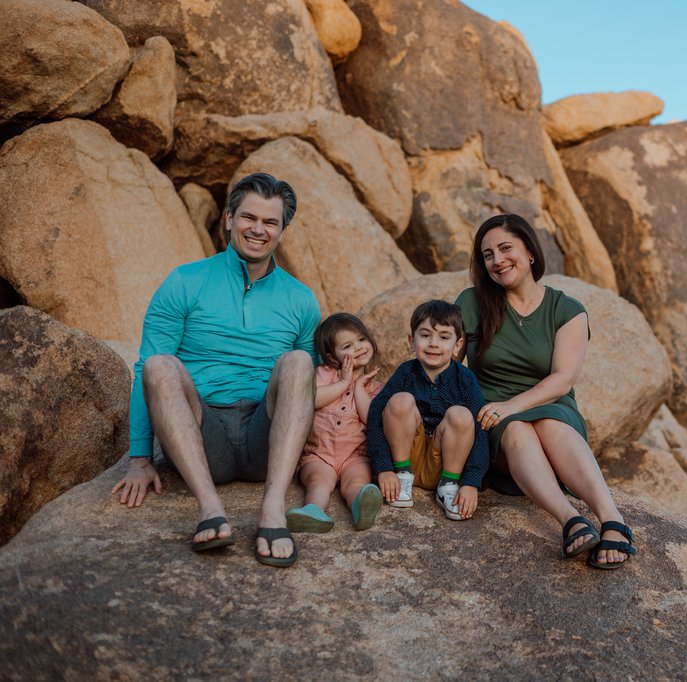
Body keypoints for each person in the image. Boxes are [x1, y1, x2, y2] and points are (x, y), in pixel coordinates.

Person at [111, 172, 320, 568]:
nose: (258, 229)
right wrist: (139, 459)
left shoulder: (301, 298)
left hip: (265, 435)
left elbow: (309, 385)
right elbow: (146, 370)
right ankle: (210, 508)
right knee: (159, 364)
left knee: (299, 361)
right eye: (248, 217)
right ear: (228, 218)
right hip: (203, 436)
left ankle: (272, 511)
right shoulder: (184, 281)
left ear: (282, 230)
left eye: (270, 222)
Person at [455, 214, 637, 569]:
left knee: (549, 425)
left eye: (506, 248)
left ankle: (613, 519)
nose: (497, 260)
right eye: (488, 254)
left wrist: (512, 405)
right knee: (518, 429)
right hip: (496, 420)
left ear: (531, 252)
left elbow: (562, 379)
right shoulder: (472, 302)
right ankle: (571, 520)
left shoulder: (566, 309)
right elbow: (448, 361)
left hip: (551, 407)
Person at [366, 300, 488, 521]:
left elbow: (480, 429)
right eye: (425, 335)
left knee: (462, 415)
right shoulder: (405, 372)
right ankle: (402, 478)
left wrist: (471, 482)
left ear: (458, 345)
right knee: (399, 401)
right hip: (405, 456)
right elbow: (376, 412)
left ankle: (448, 487)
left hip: (445, 461)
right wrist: (383, 468)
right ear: (412, 341)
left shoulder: (465, 379)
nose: (433, 344)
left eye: (443, 337)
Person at [286, 313, 384, 533]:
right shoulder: (325, 374)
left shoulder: (375, 387)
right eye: (347, 346)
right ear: (332, 357)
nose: (358, 347)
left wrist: (358, 388)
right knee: (318, 482)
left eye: (361, 339)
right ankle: (314, 510)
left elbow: (373, 422)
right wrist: (344, 382)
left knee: (356, 482)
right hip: (320, 454)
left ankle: (360, 506)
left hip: (355, 456)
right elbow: (311, 400)